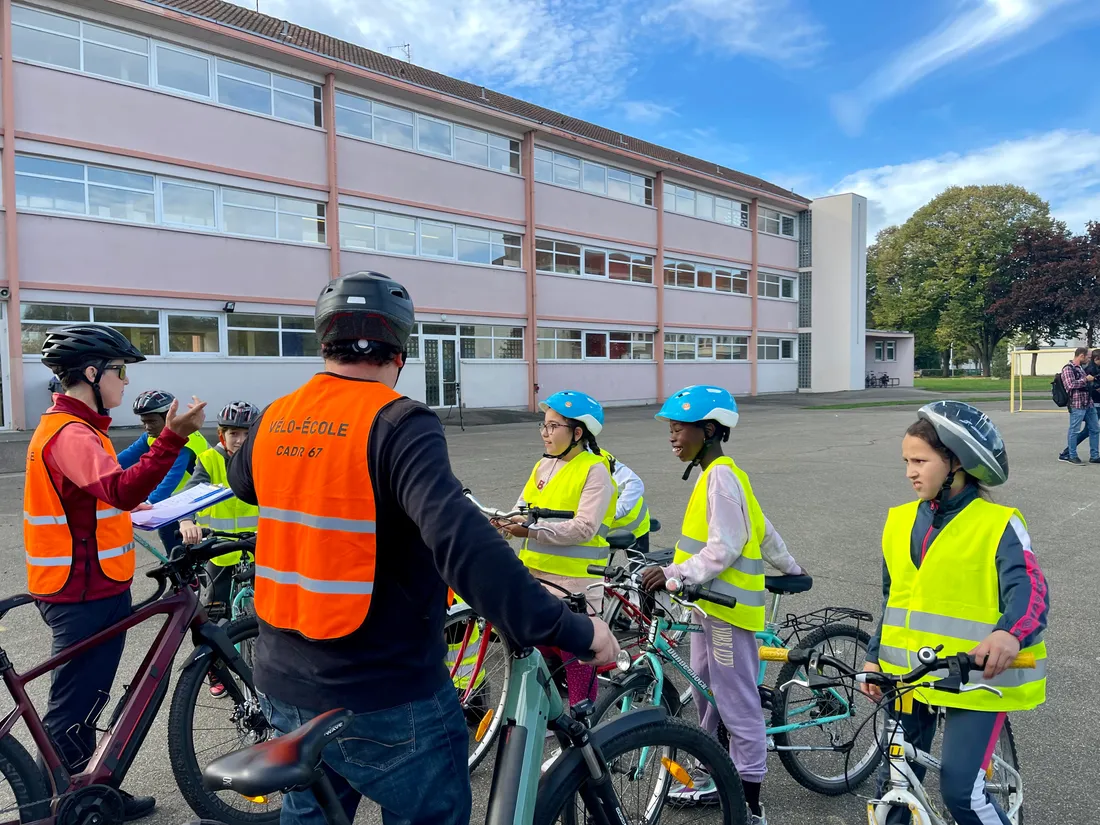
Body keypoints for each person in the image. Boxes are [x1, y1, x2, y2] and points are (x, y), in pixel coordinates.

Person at [226, 271, 619, 825]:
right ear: (401, 353)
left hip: (285, 680)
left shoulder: (275, 418)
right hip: (386, 691)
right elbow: (463, 544)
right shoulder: (398, 424)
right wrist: (573, 630)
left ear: (323, 343)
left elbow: (245, 482)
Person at [24, 324, 206, 819]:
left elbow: (104, 496)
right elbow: (118, 489)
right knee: (75, 705)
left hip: (90, 584)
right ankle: (54, 807)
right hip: (81, 590)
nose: (124, 383)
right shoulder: (70, 433)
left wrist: (135, 504)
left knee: (89, 698)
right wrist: (172, 438)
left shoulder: (82, 430)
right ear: (91, 373)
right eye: (119, 372)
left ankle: (88, 788)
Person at [862, 400, 1048, 825]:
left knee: (961, 794)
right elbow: (894, 599)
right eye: (906, 461)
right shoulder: (898, 520)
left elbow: (1030, 589)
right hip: (907, 676)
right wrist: (875, 653)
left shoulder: (998, 523)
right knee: (895, 790)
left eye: (920, 461)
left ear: (956, 463)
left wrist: (1010, 633)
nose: (910, 471)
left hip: (977, 678)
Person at [641, 385, 803, 825]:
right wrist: (790, 566)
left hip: (728, 612)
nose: (672, 436)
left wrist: (676, 574)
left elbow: (725, 547)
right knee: (706, 693)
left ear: (708, 429)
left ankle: (750, 806)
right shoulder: (717, 475)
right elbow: (762, 527)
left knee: (737, 705)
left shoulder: (721, 475)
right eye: (670, 429)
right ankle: (716, 775)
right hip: (707, 609)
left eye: (679, 428)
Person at [494, 390, 617, 706]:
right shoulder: (543, 466)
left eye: (553, 426)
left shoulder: (594, 470)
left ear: (577, 433)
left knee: (576, 655)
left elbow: (584, 527)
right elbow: (521, 509)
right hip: (535, 576)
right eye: (543, 426)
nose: (545, 433)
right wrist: (505, 524)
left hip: (575, 581)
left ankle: (582, 718)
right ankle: (550, 715)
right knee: (539, 650)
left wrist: (530, 531)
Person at [178, 400, 262, 697]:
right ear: (222, 435)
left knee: (271, 611)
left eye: (246, 434)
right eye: (233, 434)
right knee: (212, 616)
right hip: (221, 549)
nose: (240, 441)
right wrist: (188, 521)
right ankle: (215, 672)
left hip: (258, 546)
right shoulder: (209, 460)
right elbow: (191, 495)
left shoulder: (261, 459)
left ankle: (267, 668)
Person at [118, 390, 210, 549]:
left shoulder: (185, 443)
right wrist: (98, 472)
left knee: (174, 541)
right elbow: (124, 458)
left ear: (168, 416)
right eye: (143, 421)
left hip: (192, 498)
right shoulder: (152, 435)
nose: (147, 427)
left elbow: (171, 480)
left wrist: (147, 504)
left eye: (151, 422)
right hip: (172, 497)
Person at [1056, 346, 1099, 465]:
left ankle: (1095, 455)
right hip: (1077, 404)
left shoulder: (1080, 368)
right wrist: (1086, 379)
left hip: (1088, 403)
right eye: (1088, 357)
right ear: (1081, 356)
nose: (1089, 360)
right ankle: (1071, 455)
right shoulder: (1068, 369)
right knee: (1074, 430)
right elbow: (1070, 385)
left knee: (1095, 429)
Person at [606, 452, 651, 552]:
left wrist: (613, 513)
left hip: (633, 524)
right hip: (596, 529)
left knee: (641, 567)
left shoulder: (598, 457)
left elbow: (634, 484)